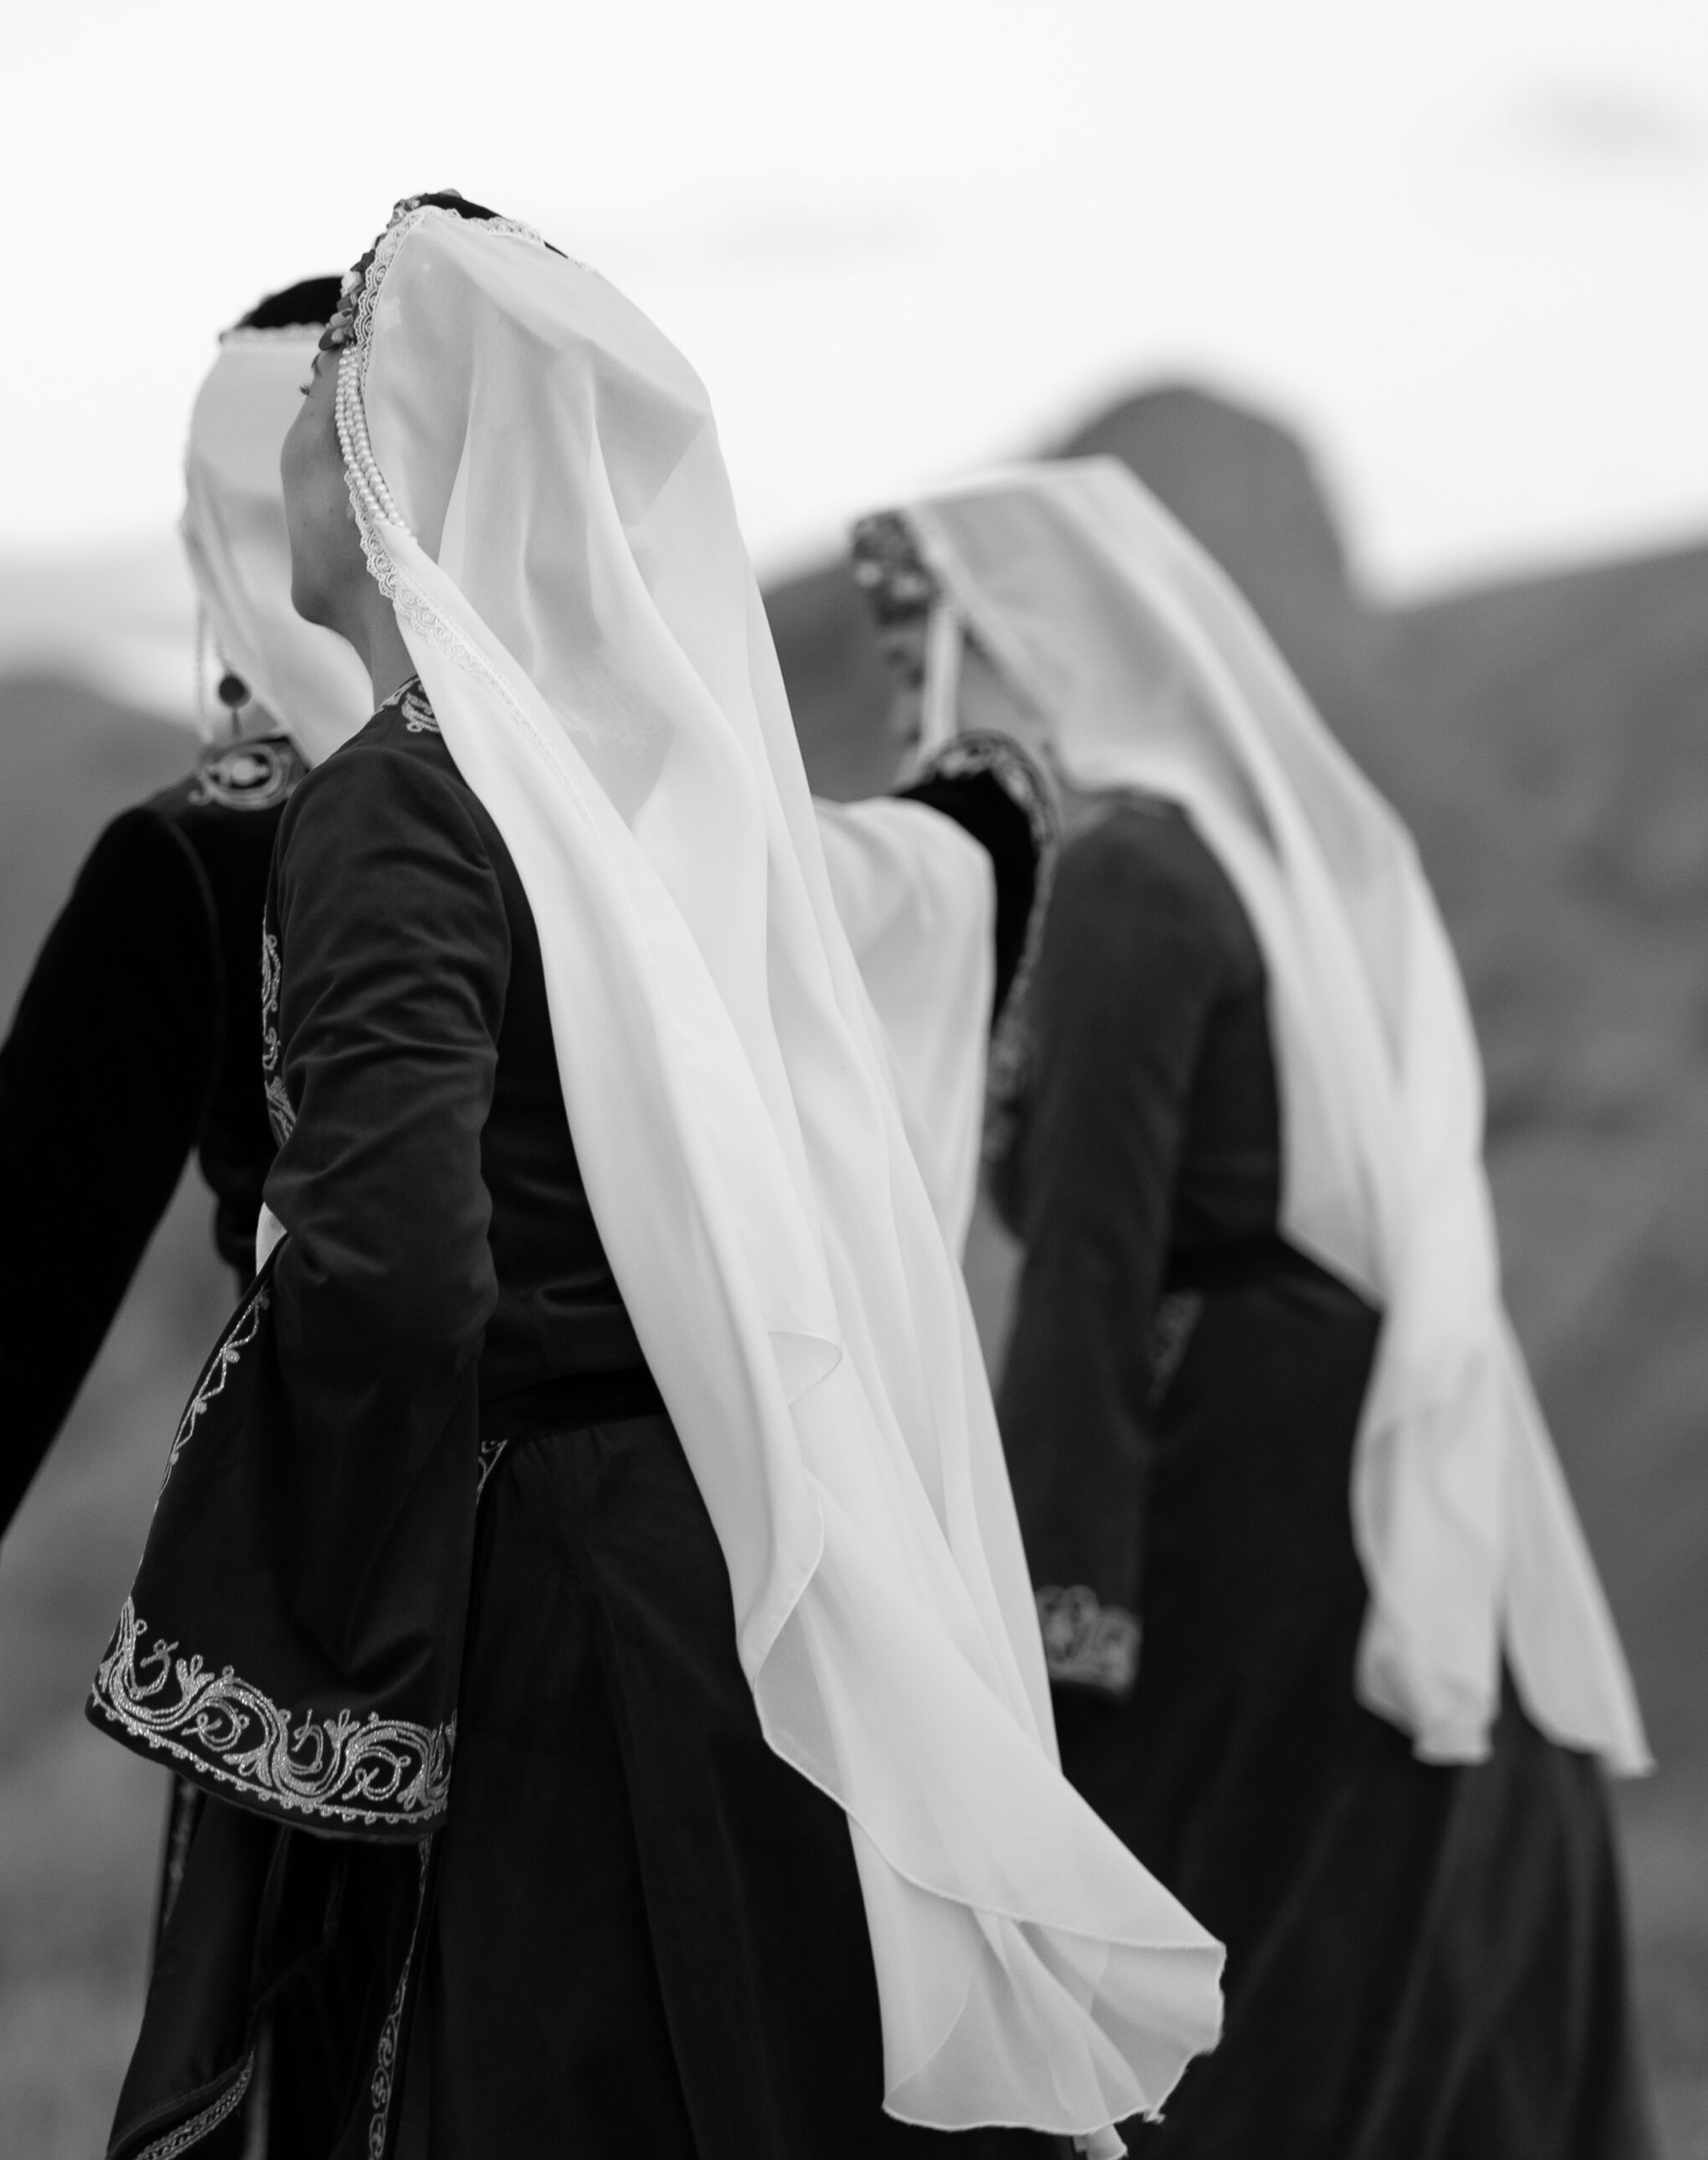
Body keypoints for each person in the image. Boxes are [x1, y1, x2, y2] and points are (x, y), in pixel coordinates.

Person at [86, 192, 1223, 2160]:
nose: (289, 448)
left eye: (328, 391)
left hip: (528, 1598)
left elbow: (393, 1267)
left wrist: (312, 1615)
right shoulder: (645, 808)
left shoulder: (405, 800)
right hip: (728, 1560)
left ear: (392, 457)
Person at [850, 461, 1656, 2157]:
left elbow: (1091, 1252)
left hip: (1222, 1456)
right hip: (1310, 1417)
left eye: (927, 648)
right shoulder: (1212, 851)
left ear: (1020, 644)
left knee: (1215, 1949)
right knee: (1345, 1936)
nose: (915, 698)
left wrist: (1044, 1618)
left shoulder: (1127, 878)